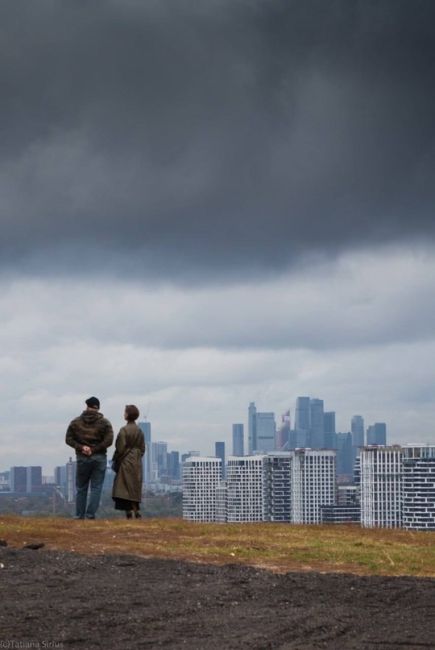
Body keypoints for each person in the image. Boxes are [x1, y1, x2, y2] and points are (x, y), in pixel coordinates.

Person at [66, 396, 114, 519]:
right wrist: (94, 449)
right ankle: (90, 514)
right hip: (99, 458)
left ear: (87, 406)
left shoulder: (75, 422)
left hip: (82, 458)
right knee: (96, 488)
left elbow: (68, 439)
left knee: (81, 488)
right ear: (97, 408)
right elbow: (109, 441)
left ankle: (79, 515)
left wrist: (82, 447)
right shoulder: (105, 423)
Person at [112, 404, 146, 519]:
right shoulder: (140, 431)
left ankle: (128, 512)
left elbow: (120, 448)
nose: (124, 414)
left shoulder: (124, 430)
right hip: (136, 462)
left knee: (125, 488)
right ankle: (136, 510)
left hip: (125, 461)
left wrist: (117, 459)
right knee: (134, 487)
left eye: (125, 412)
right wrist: (136, 456)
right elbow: (142, 449)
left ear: (127, 415)